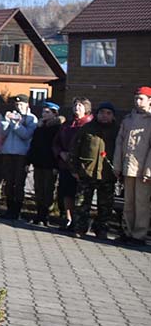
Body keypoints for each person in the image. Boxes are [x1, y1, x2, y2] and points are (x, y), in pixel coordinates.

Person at [73, 102, 119, 239]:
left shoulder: (117, 130)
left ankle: (101, 229)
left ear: (113, 116)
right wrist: (74, 168)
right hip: (87, 171)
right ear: (97, 114)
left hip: (107, 174)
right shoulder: (87, 128)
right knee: (82, 203)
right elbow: (75, 148)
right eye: (102, 112)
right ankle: (80, 228)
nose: (104, 116)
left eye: (108, 113)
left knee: (105, 206)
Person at [114, 86, 151, 245]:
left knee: (142, 203)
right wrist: (117, 166)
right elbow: (120, 143)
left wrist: (149, 170)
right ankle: (128, 231)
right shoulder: (128, 119)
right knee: (128, 202)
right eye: (136, 98)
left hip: (143, 169)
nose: (138, 101)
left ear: (150, 100)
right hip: (128, 167)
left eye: (141, 98)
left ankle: (139, 235)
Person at [0, 94, 39, 220]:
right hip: (8, 152)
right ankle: (9, 209)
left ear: (27, 104)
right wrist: (6, 121)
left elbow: (26, 135)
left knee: (18, 184)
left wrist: (16, 124)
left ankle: (16, 211)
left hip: (21, 155)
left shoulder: (32, 119)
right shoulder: (12, 115)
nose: (19, 107)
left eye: (21, 104)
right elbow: (2, 134)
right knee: (9, 183)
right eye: (17, 104)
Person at [54, 98, 91, 230]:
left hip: (81, 166)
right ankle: (68, 219)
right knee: (66, 192)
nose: (77, 108)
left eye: (80, 105)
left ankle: (80, 222)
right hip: (65, 164)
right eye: (75, 105)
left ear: (86, 108)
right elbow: (56, 142)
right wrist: (61, 153)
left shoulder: (89, 124)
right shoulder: (67, 124)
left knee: (80, 195)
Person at [26, 101, 62, 225]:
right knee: (39, 190)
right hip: (38, 163)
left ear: (54, 114)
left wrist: (56, 165)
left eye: (47, 112)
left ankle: (45, 216)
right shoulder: (39, 128)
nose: (44, 114)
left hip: (50, 165)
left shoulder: (57, 128)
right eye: (43, 111)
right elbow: (33, 145)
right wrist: (28, 161)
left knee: (48, 191)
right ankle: (39, 214)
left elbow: (57, 147)